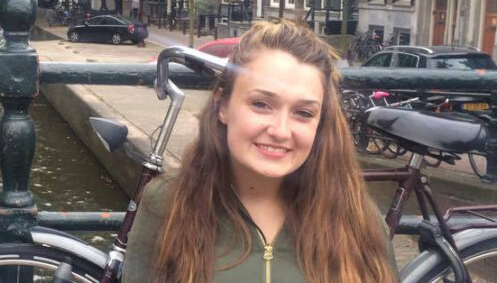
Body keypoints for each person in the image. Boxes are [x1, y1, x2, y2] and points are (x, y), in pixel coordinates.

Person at [124, 21, 397, 282]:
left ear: (320, 123)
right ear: (223, 106)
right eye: (261, 104)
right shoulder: (167, 204)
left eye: (303, 113)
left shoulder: (358, 218)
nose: (280, 130)